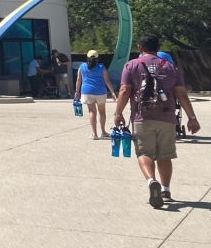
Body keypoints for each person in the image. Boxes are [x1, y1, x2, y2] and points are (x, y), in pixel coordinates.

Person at [114, 34, 201, 208]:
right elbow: (181, 94)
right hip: (167, 117)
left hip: (141, 116)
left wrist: (118, 113)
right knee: (165, 155)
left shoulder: (131, 65)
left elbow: (124, 90)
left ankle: (151, 180)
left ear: (139, 48)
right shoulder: (170, 67)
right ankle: (166, 189)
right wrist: (192, 118)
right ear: (159, 47)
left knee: (144, 153)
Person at [75, 49, 115, 139]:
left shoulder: (82, 66)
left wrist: (77, 91)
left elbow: (78, 80)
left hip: (87, 91)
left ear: (87, 57)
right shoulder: (101, 66)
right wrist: (112, 92)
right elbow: (107, 80)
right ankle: (103, 131)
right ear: (97, 58)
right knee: (102, 112)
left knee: (92, 111)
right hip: (100, 91)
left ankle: (94, 134)